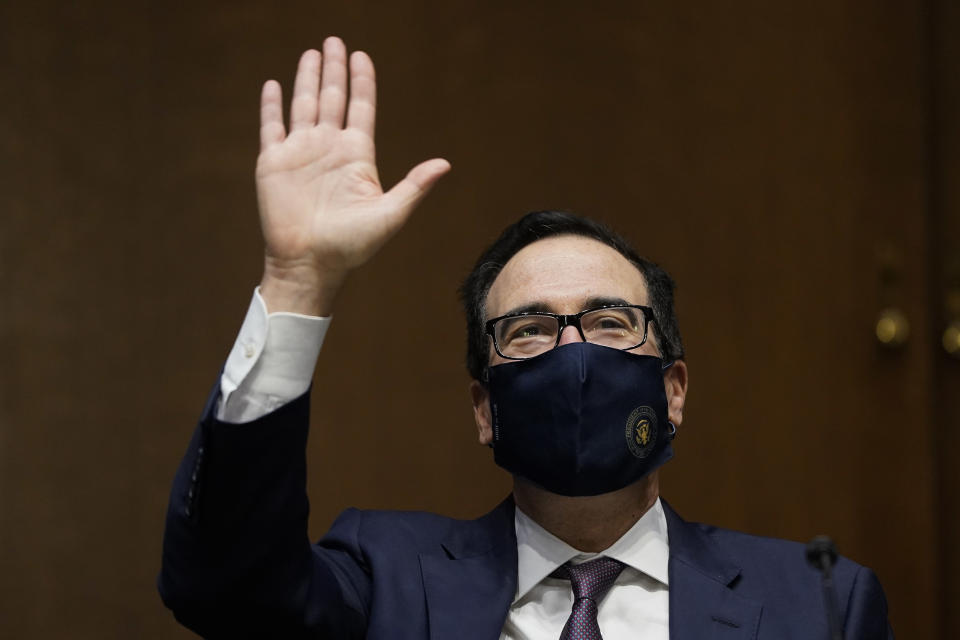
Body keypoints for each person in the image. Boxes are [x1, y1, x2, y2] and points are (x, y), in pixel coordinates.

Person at [159, 37, 893, 639]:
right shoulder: (385, 578)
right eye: (530, 330)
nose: (574, 354)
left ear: (674, 390)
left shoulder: (819, 603)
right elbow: (226, 587)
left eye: (610, 322)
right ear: (484, 407)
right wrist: (299, 280)